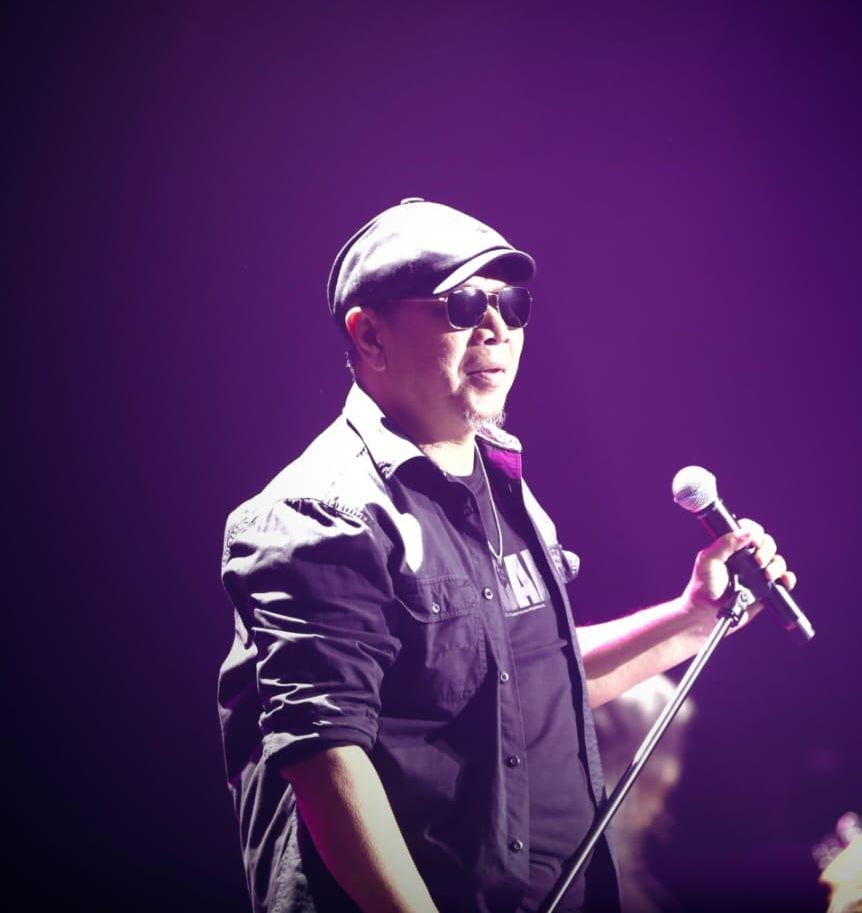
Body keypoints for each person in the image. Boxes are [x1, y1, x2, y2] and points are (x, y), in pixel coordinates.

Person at [216, 198, 797, 913]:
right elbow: (327, 760)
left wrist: (693, 618)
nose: (496, 327)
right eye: (462, 306)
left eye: (511, 305)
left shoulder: (502, 488)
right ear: (369, 335)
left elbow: (529, 686)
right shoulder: (320, 511)